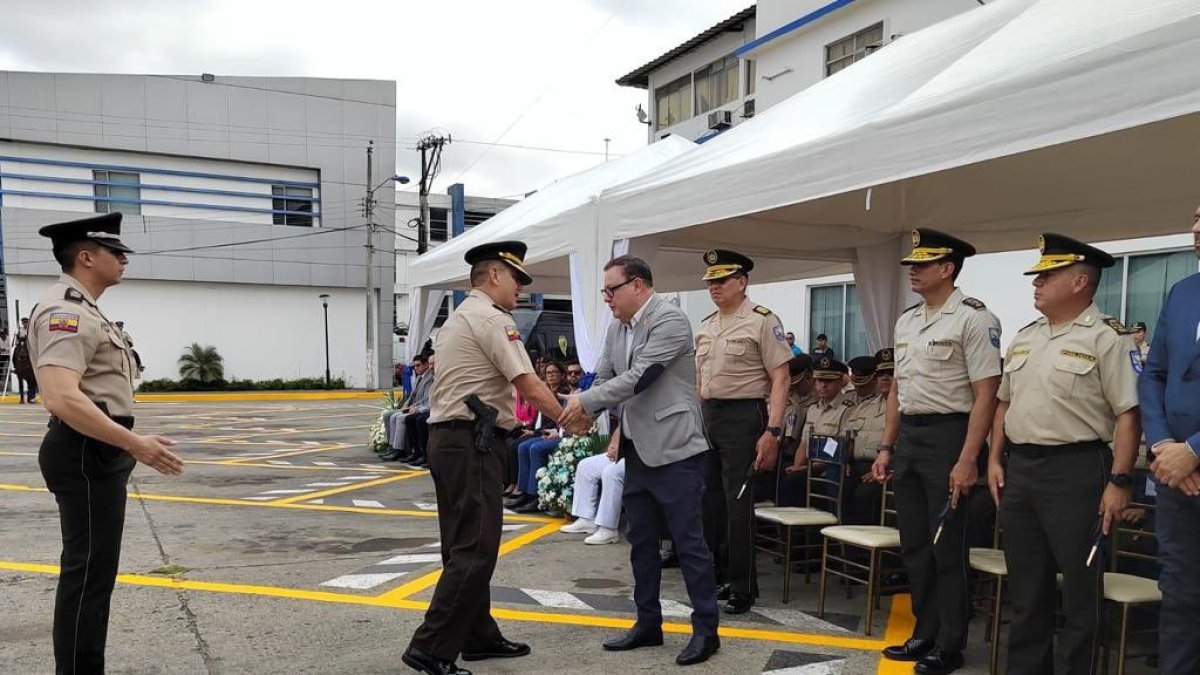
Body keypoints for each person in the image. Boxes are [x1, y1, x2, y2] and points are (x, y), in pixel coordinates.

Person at [403, 240, 584, 675]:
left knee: (462, 545)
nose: (520, 289)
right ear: (496, 275)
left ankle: (478, 635)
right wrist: (567, 417)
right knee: (477, 549)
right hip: (472, 443)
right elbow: (527, 384)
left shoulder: (459, 317)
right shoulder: (491, 319)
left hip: (449, 440)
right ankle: (431, 647)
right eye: (517, 280)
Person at [28, 213, 184, 673]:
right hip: (84, 450)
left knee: (94, 574)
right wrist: (134, 443)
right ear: (85, 256)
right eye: (115, 252)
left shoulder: (86, 309)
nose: (123, 259)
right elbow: (61, 396)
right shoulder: (66, 312)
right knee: (88, 576)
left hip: (94, 448)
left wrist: (127, 441)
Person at [989, 233, 1140, 675]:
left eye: (1046, 276)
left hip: (1077, 471)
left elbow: (1128, 416)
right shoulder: (1026, 336)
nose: (1036, 283)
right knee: (1026, 586)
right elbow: (1003, 403)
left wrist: (1119, 481)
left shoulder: (1108, 338)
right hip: (1022, 470)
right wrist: (996, 460)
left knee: (1079, 591)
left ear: (1079, 282)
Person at [559, 255, 720, 666]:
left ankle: (706, 631)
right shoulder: (617, 327)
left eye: (611, 290)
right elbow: (606, 376)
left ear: (638, 286)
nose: (607, 298)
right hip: (637, 449)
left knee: (689, 545)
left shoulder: (670, 320)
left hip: (676, 449)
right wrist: (585, 414)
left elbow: (641, 377)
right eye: (604, 291)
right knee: (641, 544)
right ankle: (648, 623)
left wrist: (583, 403)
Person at [871, 228, 1002, 675]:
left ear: (947, 269)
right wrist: (886, 446)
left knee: (948, 547)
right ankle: (924, 632)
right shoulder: (907, 320)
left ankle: (951, 643)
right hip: (910, 436)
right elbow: (897, 392)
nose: (913, 271)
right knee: (915, 546)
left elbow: (987, 394)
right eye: (912, 264)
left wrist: (968, 459)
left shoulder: (974, 318)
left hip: (951, 436)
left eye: (923, 265)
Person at [694, 249, 791, 614]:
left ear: (742, 282)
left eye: (721, 281)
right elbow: (699, 380)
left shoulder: (762, 321)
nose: (714, 287)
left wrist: (773, 430)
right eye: (710, 282)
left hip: (744, 417)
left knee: (738, 506)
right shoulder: (706, 324)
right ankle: (720, 575)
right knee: (711, 504)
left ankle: (742, 586)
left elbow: (781, 378)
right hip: (710, 416)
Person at [1139, 204, 1200, 674]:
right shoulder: (1182, 293)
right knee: (1179, 593)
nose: (1194, 228)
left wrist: (1194, 450)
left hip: (1188, 462)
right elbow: (1154, 374)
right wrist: (1162, 445)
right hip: (1174, 476)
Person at [505, 360, 571, 512]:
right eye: (548, 373)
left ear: (561, 375)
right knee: (521, 446)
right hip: (544, 431)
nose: (551, 376)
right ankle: (524, 492)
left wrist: (536, 432)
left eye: (555, 373)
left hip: (557, 433)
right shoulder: (545, 391)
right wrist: (531, 429)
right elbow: (537, 418)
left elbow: (556, 420)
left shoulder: (563, 393)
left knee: (535, 448)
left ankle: (535, 495)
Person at [844, 352, 892, 525]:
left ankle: (865, 550)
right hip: (857, 465)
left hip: (886, 470)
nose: (885, 377)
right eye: (880, 373)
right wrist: (845, 460)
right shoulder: (865, 405)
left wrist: (886, 469)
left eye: (891, 372)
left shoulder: (907, 408)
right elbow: (849, 437)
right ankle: (843, 544)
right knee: (838, 484)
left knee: (864, 495)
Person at [560, 427, 625, 545]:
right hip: (625, 451)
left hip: (646, 454)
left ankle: (608, 529)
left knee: (611, 472)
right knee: (586, 466)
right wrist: (614, 445)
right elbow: (623, 424)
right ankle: (587, 519)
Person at [776, 354, 818, 506]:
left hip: (808, 456)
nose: (794, 387)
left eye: (798, 383)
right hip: (783, 450)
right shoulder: (788, 397)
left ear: (809, 376)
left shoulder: (818, 401)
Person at [382, 353, 433, 462]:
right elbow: (412, 394)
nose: (415, 368)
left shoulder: (430, 379)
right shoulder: (419, 378)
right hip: (412, 406)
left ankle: (399, 449)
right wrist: (406, 404)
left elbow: (427, 399)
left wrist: (416, 408)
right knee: (388, 415)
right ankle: (391, 446)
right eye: (414, 366)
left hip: (421, 408)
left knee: (399, 417)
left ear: (425, 365)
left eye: (418, 365)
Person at [13, 317, 38, 403]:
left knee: (35, 352)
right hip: (21, 344)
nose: (24, 324)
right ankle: (15, 367)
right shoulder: (19, 330)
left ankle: (36, 364)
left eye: (26, 322)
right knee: (14, 352)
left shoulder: (31, 330)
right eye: (23, 322)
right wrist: (18, 337)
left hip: (29, 345)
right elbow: (16, 339)